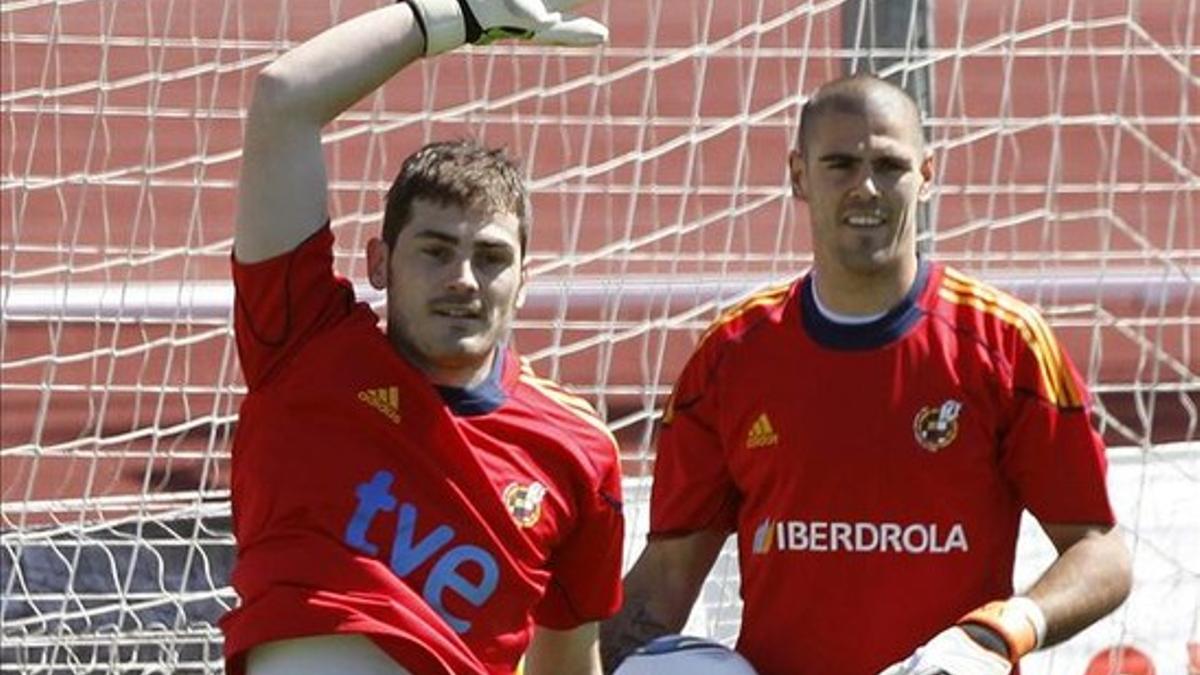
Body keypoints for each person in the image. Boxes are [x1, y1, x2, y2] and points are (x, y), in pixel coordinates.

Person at [600, 73, 1133, 675]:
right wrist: (567, 662)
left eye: (890, 165)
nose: (867, 187)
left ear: (926, 176)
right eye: (840, 164)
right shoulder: (731, 357)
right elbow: (668, 573)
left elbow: (1099, 550)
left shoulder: (1007, 345)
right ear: (799, 174)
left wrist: (1003, 631)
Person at [219, 2, 622, 674]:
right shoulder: (306, 346)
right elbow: (284, 98)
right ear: (379, 262)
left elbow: (568, 661)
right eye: (435, 250)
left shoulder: (577, 450)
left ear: (524, 280)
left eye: (491, 257)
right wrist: (457, 14)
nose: (464, 279)